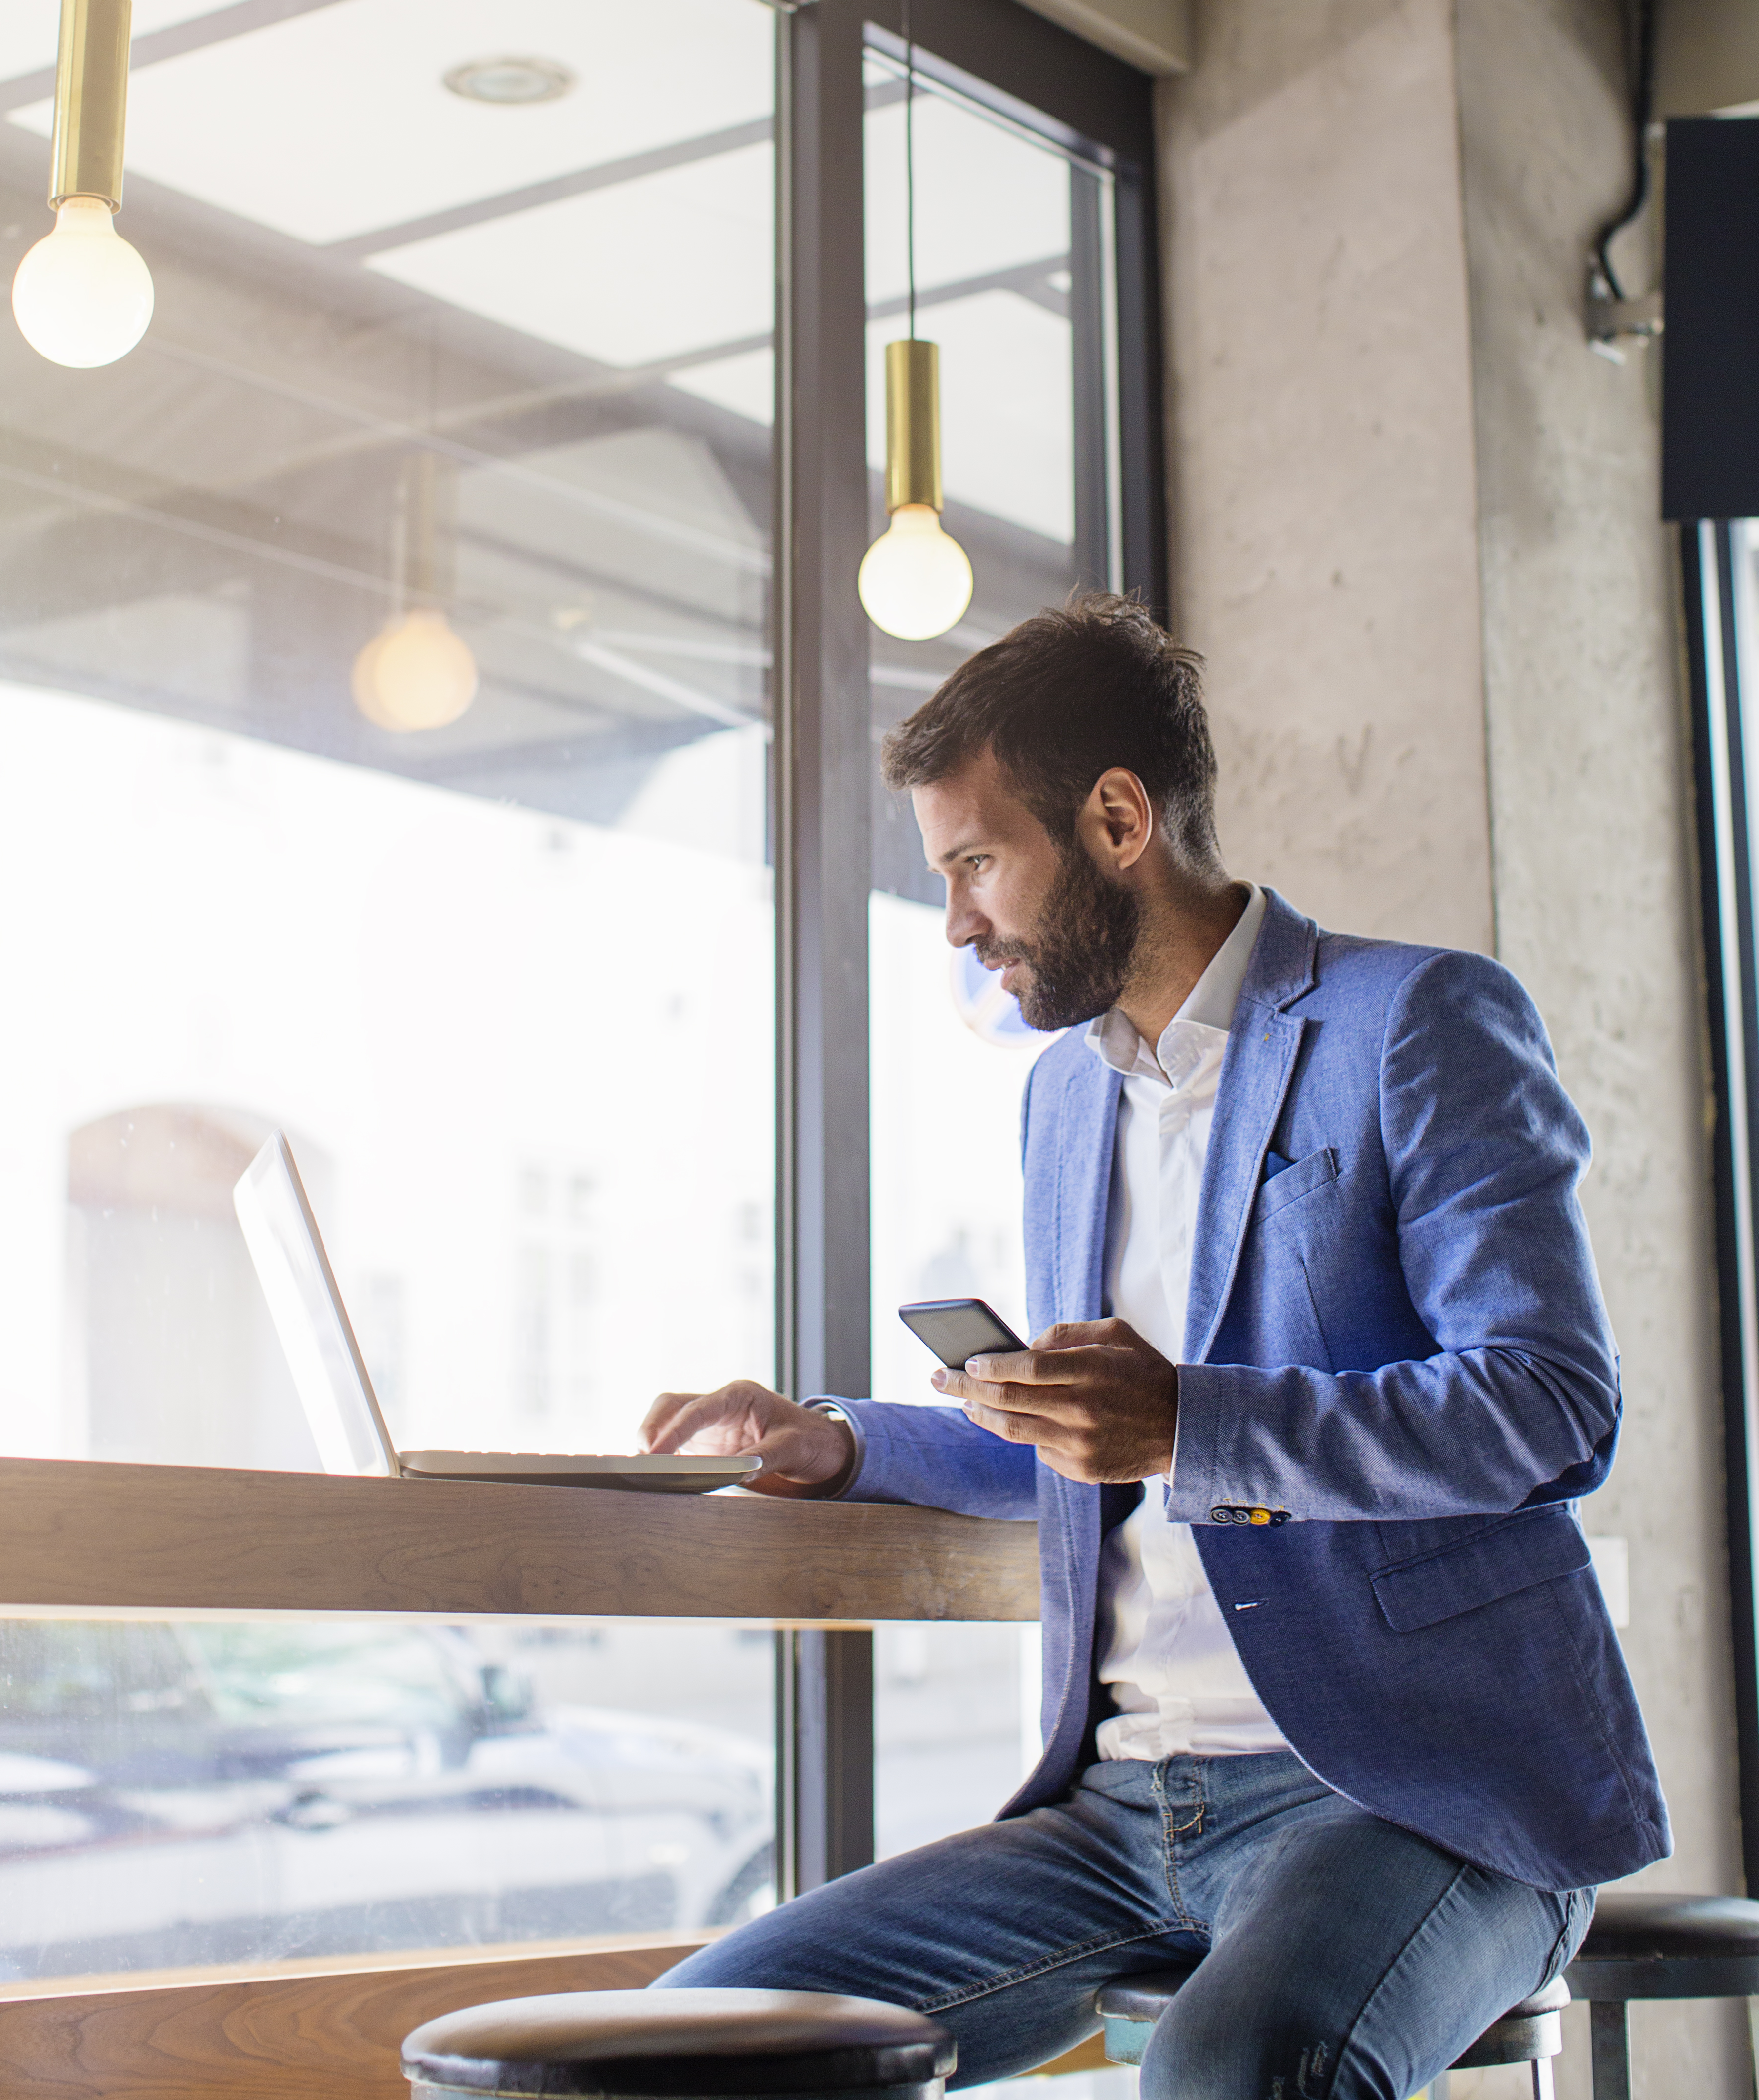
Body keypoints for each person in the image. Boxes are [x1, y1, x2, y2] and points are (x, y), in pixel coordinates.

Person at [642, 594, 1665, 2100]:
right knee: (687, 2043)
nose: (959, 924)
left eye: (978, 863)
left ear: (1117, 817)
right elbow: (1080, 1442)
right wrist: (841, 1440)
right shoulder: (1066, 1100)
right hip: (1120, 1813)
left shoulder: (1417, 1023)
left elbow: (1550, 1404)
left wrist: (1191, 1422)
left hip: (1413, 1796)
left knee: (1232, 2071)